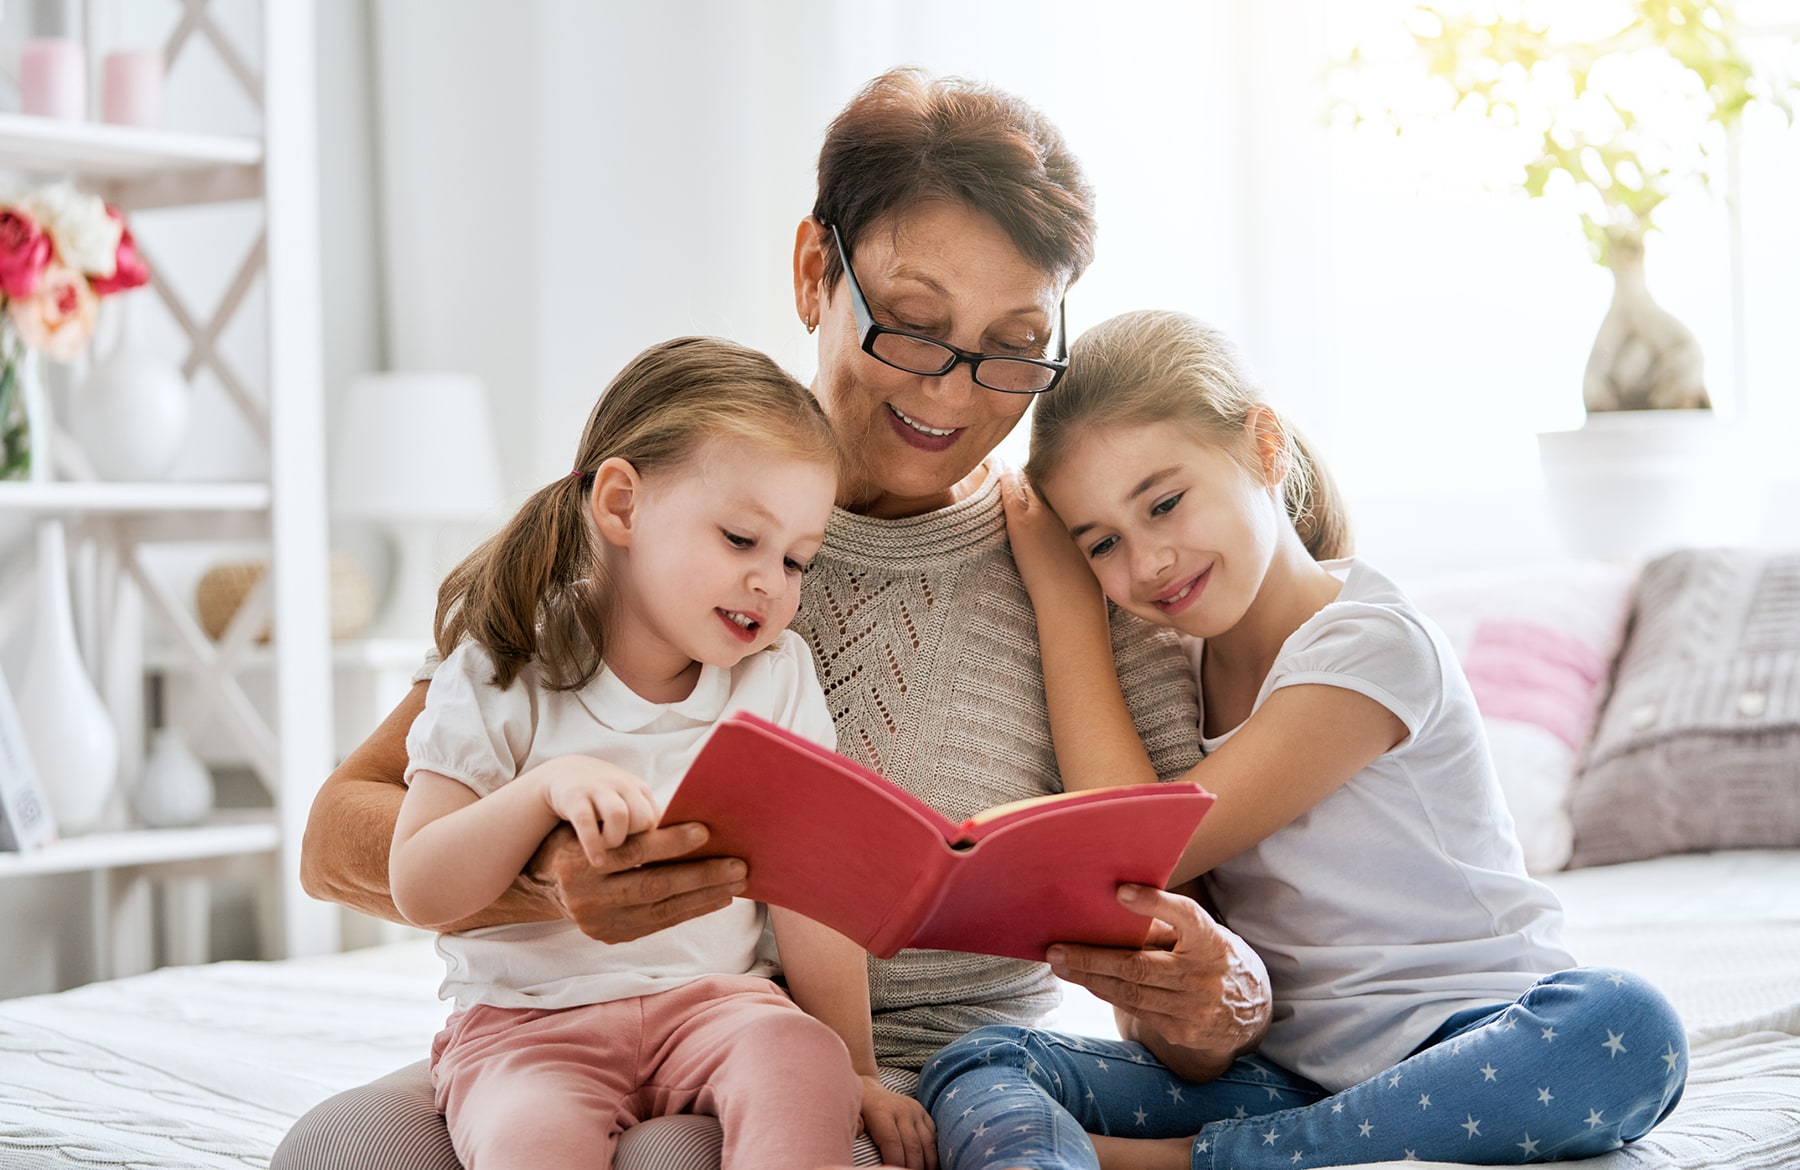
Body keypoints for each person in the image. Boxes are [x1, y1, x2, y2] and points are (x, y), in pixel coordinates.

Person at [274, 71, 1268, 1170]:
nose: (952, 391)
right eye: (915, 325)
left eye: (1014, 344)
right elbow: (338, 839)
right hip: (587, 1024)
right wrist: (556, 868)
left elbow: (1184, 979)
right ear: (814, 274)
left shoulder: (1088, 560)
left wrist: (1210, 1011)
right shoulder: (683, 518)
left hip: (910, 1078)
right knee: (339, 1149)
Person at [916, 309, 1689, 1169]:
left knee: (1627, 1024)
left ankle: (1194, 1163)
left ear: (1264, 446)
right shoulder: (1173, 676)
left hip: (1474, 1048)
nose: (1148, 564)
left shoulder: (1369, 644)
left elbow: (1149, 853)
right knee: (979, 1061)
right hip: (1285, 1075)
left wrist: (1066, 604)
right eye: (1101, 545)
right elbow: (1162, 932)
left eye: (1165, 503)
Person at [386, 336, 936, 1169]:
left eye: (796, 561)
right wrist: (545, 792)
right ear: (622, 506)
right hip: (529, 1027)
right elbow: (419, 885)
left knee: (801, 1061)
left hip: (716, 1007)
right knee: (527, 1138)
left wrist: (856, 1065)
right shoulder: (501, 665)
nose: (772, 583)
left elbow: (810, 901)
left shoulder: (776, 677)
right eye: (741, 539)